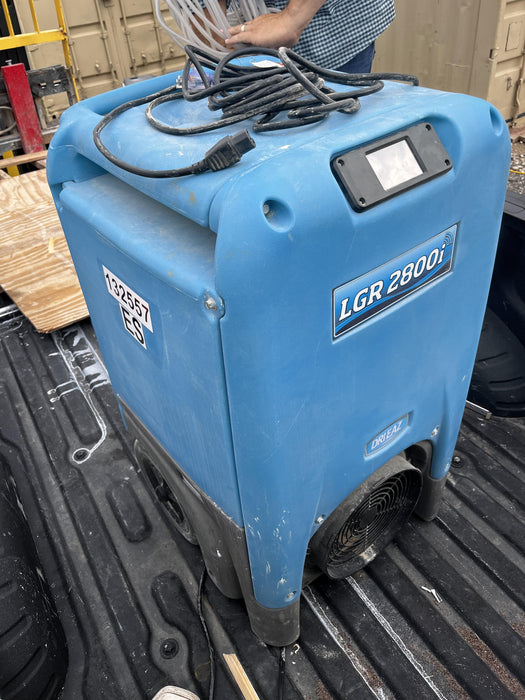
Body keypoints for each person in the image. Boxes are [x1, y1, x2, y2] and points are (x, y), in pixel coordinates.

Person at [224, 0, 395, 73]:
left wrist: (290, 20)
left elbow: (289, 26)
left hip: (332, 33)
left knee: (335, 125)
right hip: (254, 36)